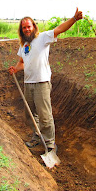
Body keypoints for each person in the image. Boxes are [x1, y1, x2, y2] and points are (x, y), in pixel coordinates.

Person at [8, 8, 83, 153]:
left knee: (44, 114)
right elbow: (22, 62)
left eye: (29, 26)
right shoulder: (24, 45)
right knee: (30, 113)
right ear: (21, 30)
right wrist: (16, 69)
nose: (26, 29)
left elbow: (59, 29)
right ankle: (37, 135)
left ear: (34, 26)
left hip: (41, 82)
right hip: (28, 83)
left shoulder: (42, 38)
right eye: (24, 28)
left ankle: (50, 144)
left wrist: (74, 19)